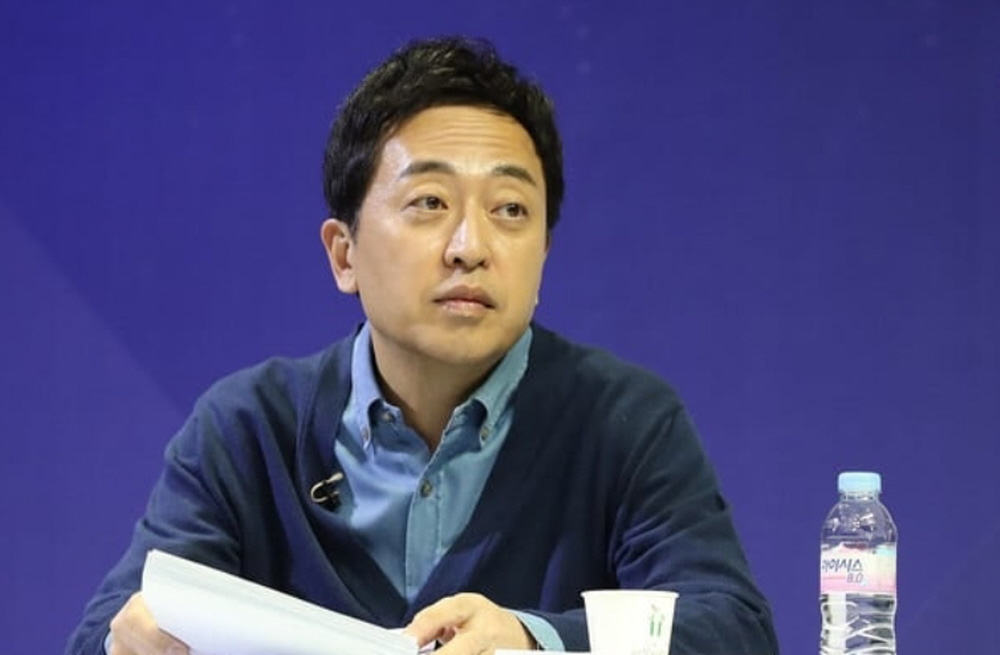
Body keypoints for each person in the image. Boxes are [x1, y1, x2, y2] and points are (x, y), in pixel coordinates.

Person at [67, 36, 779, 655]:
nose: (471, 247)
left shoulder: (623, 420)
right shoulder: (249, 428)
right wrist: (133, 638)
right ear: (343, 253)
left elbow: (732, 628)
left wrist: (535, 640)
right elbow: (111, 626)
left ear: (543, 255)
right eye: (430, 203)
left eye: (510, 210)